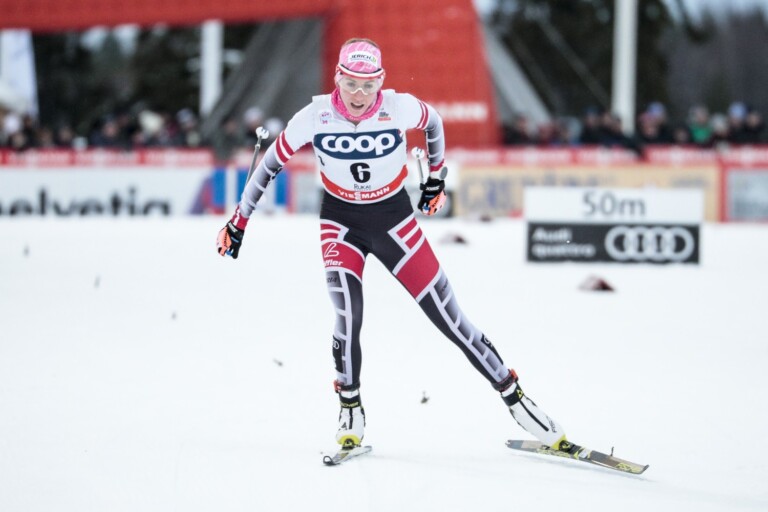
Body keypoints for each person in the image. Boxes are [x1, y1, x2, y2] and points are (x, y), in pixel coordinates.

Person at [216, 38, 571, 453]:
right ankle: (350, 406)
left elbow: (434, 123)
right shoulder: (314, 115)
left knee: (450, 319)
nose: (359, 95)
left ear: (381, 82)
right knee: (348, 315)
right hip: (341, 223)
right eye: (351, 84)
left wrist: (435, 177)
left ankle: (516, 398)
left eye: (369, 85)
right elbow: (268, 166)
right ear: (338, 78)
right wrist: (238, 221)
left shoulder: (398, 106)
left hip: (394, 221)